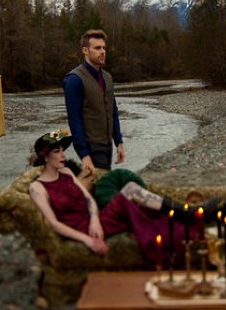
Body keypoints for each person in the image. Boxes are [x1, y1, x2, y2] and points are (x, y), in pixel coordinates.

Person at [26, 130, 193, 258]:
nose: (63, 155)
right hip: (82, 230)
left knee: (131, 189)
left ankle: (187, 212)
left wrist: (95, 220)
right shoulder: (37, 188)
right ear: (45, 156)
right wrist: (88, 240)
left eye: (63, 150)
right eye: (57, 151)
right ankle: (188, 213)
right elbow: (53, 223)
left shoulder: (67, 172)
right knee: (131, 193)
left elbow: (88, 199)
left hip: (95, 221)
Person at [63, 29, 124, 175]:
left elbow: (113, 111)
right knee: (103, 188)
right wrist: (84, 155)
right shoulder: (74, 80)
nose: (102, 51)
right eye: (97, 48)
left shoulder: (107, 77)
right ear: (85, 50)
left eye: (103, 48)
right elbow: (74, 119)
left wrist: (119, 142)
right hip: (91, 145)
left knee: (102, 186)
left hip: (107, 143)